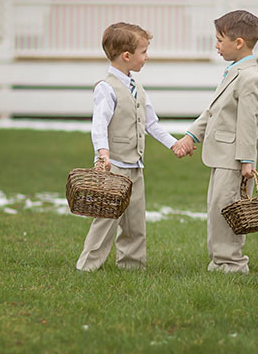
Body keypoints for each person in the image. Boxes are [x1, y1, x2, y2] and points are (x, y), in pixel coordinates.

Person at [76, 22, 188, 271]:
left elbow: (151, 123)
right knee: (106, 219)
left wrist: (174, 144)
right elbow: (99, 125)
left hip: (135, 166)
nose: (147, 57)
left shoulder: (137, 88)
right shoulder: (106, 88)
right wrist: (102, 153)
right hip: (114, 166)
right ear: (127, 56)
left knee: (135, 220)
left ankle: (132, 265)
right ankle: (87, 265)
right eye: (144, 52)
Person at [172, 10, 258, 274]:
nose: (216, 45)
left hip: (235, 159)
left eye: (219, 39)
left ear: (238, 43)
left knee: (228, 209)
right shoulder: (233, 73)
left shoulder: (250, 78)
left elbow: (248, 123)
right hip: (221, 155)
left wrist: (246, 161)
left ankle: (233, 263)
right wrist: (192, 136)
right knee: (217, 208)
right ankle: (219, 260)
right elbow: (213, 111)